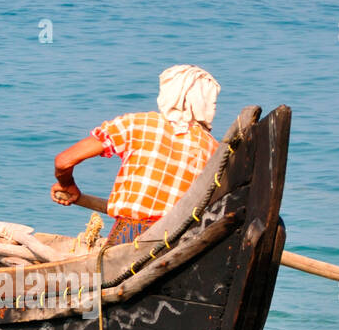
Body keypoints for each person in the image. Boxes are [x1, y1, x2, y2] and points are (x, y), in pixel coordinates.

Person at [51, 65, 220, 246]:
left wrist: (67, 185)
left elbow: (64, 161)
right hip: (182, 238)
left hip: (133, 232)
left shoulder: (139, 124)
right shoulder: (214, 149)